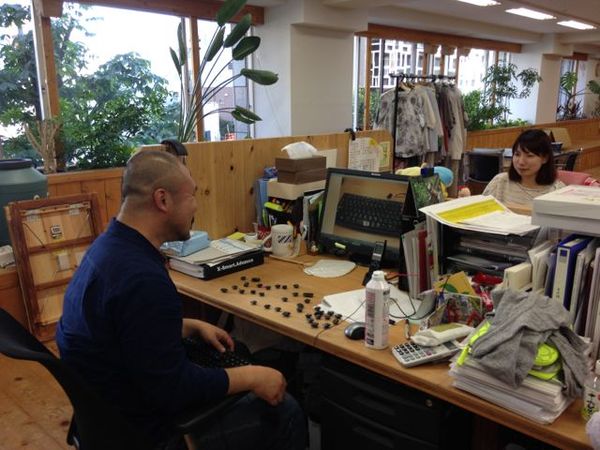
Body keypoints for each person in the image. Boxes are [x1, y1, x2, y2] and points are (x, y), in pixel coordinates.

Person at [56, 150, 306, 450]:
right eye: (192, 196)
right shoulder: (142, 279)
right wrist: (253, 377)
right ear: (162, 200)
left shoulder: (108, 248)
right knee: (287, 410)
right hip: (146, 433)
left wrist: (186, 325)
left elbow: (123, 329)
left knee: (234, 350)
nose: (196, 206)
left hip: (108, 418)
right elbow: (174, 389)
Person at [483, 129, 565, 207]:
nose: (521, 162)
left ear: (545, 158)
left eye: (529, 156)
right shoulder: (500, 182)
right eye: (517, 154)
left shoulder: (558, 191)